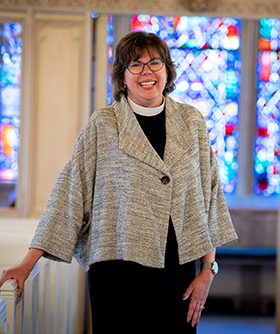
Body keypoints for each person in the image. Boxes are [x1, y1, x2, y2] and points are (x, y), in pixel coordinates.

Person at [0, 31, 238, 333]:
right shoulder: (104, 124)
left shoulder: (192, 122)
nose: (147, 72)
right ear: (122, 77)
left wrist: (208, 270)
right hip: (115, 269)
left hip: (177, 272)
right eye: (135, 65)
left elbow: (209, 195)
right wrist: (27, 263)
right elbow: (70, 194)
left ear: (167, 69)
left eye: (154, 62)